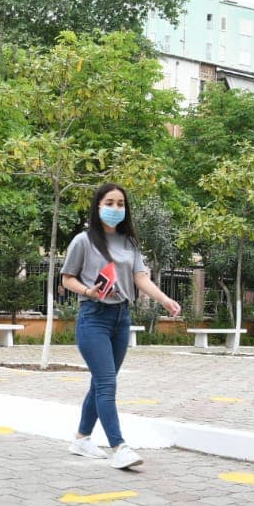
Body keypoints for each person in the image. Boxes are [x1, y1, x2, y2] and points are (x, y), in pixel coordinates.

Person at [60, 183, 181, 469]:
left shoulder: (129, 243)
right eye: (110, 203)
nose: (115, 208)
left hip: (121, 318)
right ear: (98, 205)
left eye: (120, 204)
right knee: (106, 383)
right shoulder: (83, 241)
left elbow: (140, 278)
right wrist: (89, 291)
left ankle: (81, 439)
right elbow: (67, 278)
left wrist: (164, 300)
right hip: (94, 317)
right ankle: (119, 447)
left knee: (100, 382)